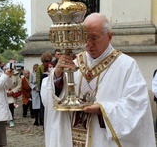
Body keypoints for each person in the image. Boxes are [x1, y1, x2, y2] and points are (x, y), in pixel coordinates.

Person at [41, 13, 156, 147]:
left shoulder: (126, 65)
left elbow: (137, 106)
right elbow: (48, 97)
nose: (89, 44)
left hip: (102, 139)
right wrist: (57, 74)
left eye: (94, 38)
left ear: (109, 36)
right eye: (86, 38)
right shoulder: (75, 62)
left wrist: (102, 109)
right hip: (72, 139)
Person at [36, 52, 52, 126]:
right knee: (43, 103)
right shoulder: (40, 67)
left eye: (48, 60)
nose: (47, 62)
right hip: (43, 86)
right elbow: (38, 78)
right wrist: (39, 87)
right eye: (46, 61)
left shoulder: (51, 65)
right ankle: (42, 119)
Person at [5, 63, 21, 127]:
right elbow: (1, 84)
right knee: (5, 107)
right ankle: (4, 119)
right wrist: (6, 91)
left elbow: (19, 84)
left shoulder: (16, 75)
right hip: (5, 93)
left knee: (11, 106)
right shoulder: (3, 75)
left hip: (12, 93)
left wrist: (13, 91)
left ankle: (11, 119)